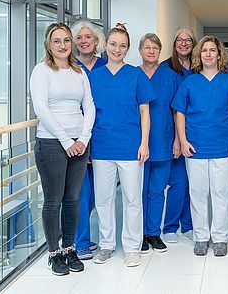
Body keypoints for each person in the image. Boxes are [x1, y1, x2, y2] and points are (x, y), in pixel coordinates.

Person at [172, 35, 228, 257]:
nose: (208, 54)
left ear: (219, 54)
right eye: (204, 50)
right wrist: (183, 140)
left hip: (223, 146)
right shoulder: (190, 82)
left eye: (212, 50)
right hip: (195, 148)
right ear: (198, 55)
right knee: (198, 193)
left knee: (221, 193)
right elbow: (180, 113)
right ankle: (202, 236)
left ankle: (221, 237)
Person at [30, 22, 95, 275]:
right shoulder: (42, 71)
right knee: (53, 201)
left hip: (79, 143)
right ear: (49, 44)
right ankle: (54, 254)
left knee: (73, 200)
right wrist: (66, 141)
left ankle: (69, 249)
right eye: (57, 41)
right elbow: (42, 109)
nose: (63, 45)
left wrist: (83, 138)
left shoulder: (79, 72)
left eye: (66, 40)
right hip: (51, 144)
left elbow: (89, 106)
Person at [89, 23, 155, 267]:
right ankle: (106, 245)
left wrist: (144, 143)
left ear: (128, 49)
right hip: (102, 146)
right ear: (105, 45)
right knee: (104, 199)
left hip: (130, 146)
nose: (118, 49)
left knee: (132, 199)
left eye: (123, 45)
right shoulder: (94, 77)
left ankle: (132, 247)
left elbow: (145, 112)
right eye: (113, 44)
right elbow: (87, 113)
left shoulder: (136, 75)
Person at [138, 33, 180, 254]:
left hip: (163, 140)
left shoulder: (170, 76)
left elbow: (177, 111)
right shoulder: (133, 75)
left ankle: (153, 233)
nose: (151, 51)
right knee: (139, 191)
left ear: (160, 51)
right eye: (147, 47)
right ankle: (139, 234)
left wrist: (176, 140)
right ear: (140, 50)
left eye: (155, 47)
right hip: (138, 143)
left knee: (157, 190)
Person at [70, 19, 107, 260]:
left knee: (98, 192)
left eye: (88, 37)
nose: (84, 41)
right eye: (80, 37)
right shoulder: (69, 67)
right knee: (80, 192)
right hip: (79, 136)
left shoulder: (107, 65)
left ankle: (83, 237)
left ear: (97, 41)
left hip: (104, 136)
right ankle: (80, 242)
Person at [159, 27, 196, 243]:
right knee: (178, 181)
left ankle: (189, 224)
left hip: (197, 132)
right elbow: (170, 106)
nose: (183, 43)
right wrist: (176, 138)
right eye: (179, 40)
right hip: (174, 133)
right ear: (174, 43)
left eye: (187, 40)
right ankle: (171, 226)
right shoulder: (166, 69)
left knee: (193, 183)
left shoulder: (200, 68)